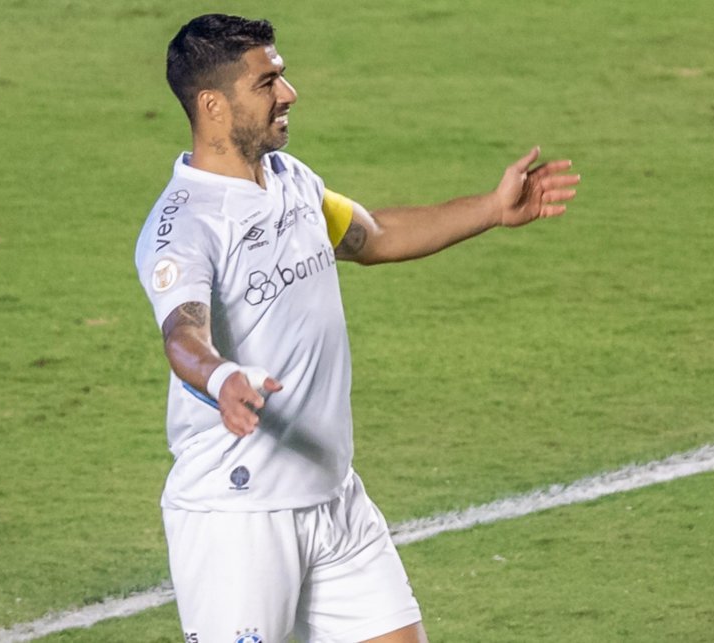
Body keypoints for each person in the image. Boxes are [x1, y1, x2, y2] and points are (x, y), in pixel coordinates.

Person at [134, 13, 579, 643]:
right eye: (267, 83)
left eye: (281, 76)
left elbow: (376, 235)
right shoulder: (185, 224)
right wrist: (223, 376)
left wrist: (491, 208)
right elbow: (183, 336)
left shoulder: (291, 181)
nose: (289, 93)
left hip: (334, 495)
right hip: (240, 513)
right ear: (212, 105)